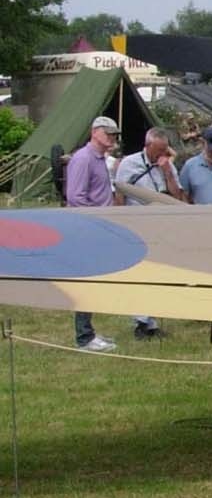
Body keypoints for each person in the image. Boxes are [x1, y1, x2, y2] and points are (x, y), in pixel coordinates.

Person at [113, 127, 186, 339]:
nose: (161, 155)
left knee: (158, 274)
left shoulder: (167, 165)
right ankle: (140, 322)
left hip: (160, 226)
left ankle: (151, 321)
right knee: (140, 274)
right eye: (158, 150)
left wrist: (166, 171)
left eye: (164, 150)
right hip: (136, 225)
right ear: (147, 146)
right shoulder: (129, 164)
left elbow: (177, 195)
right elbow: (120, 193)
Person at [64, 116, 121, 352]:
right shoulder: (83, 159)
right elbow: (75, 197)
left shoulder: (99, 159)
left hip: (96, 228)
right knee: (85, 284)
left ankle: (88, 332)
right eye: (108, 133)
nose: (112, 137)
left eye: (114, 134)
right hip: (85, 230)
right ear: (95, 132)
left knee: (93, 282)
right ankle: (84, 338)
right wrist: (99, 220)